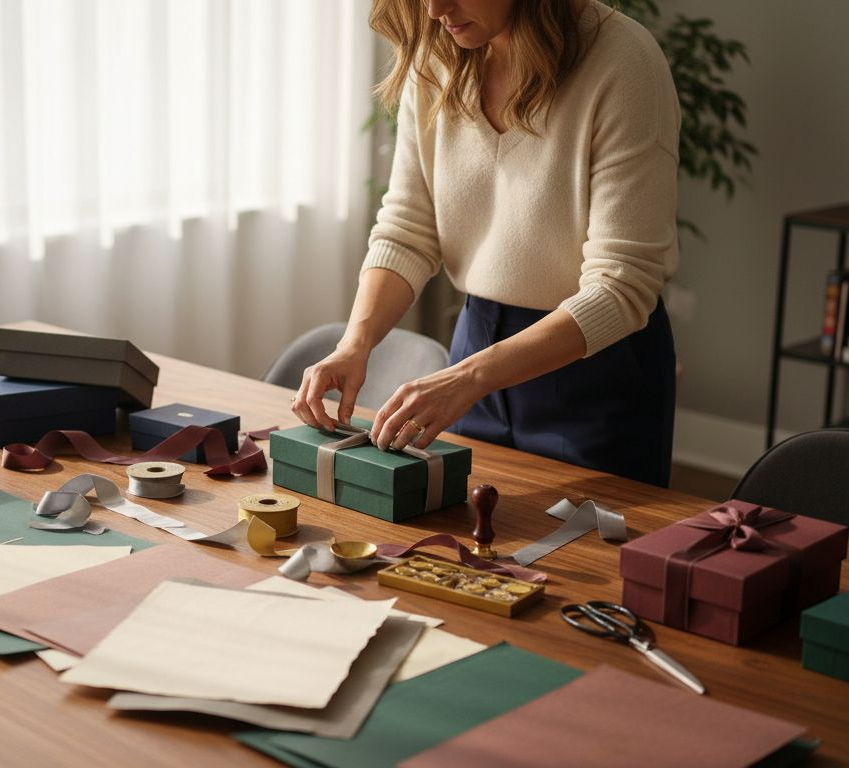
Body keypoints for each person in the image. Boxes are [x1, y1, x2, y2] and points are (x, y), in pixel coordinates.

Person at [290, 0, 680, 487]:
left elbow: (624, 285)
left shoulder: (623, 61)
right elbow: (409, 228)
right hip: (476, 342)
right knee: (465, 547)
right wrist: (355, 344)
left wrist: (470, 377)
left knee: (586, 559)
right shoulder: (437, 57)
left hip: (594, 367)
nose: (434, 10)